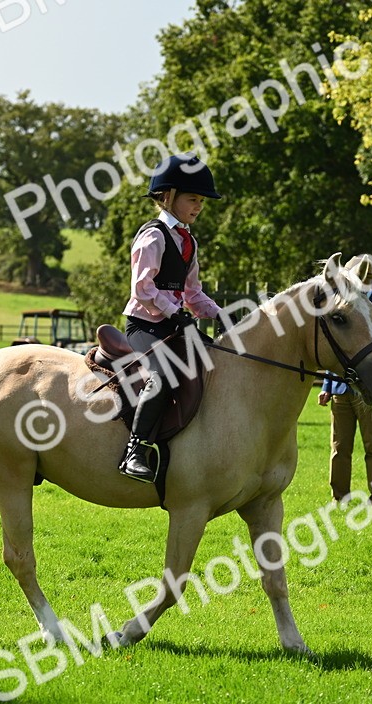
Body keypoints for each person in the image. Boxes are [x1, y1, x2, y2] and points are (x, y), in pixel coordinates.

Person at [118, 153, 223, 482]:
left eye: (202, 201)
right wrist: (174, 314)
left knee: (218, 362)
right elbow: (142, 288)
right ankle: (135, 450)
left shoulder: (189, 241)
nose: (198, 206)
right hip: (145, 325)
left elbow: (193, 293)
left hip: (175, 324)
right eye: (193, 199)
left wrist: (224, 317)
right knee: (162, 376)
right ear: (167, 197)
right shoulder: (153, 236)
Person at [318, 260, 372, 505]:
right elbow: (339, 349)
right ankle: (339, 497)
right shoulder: (345, 304)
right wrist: (326, 387)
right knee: (339, 447)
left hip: (370, 391)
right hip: (341, 389)